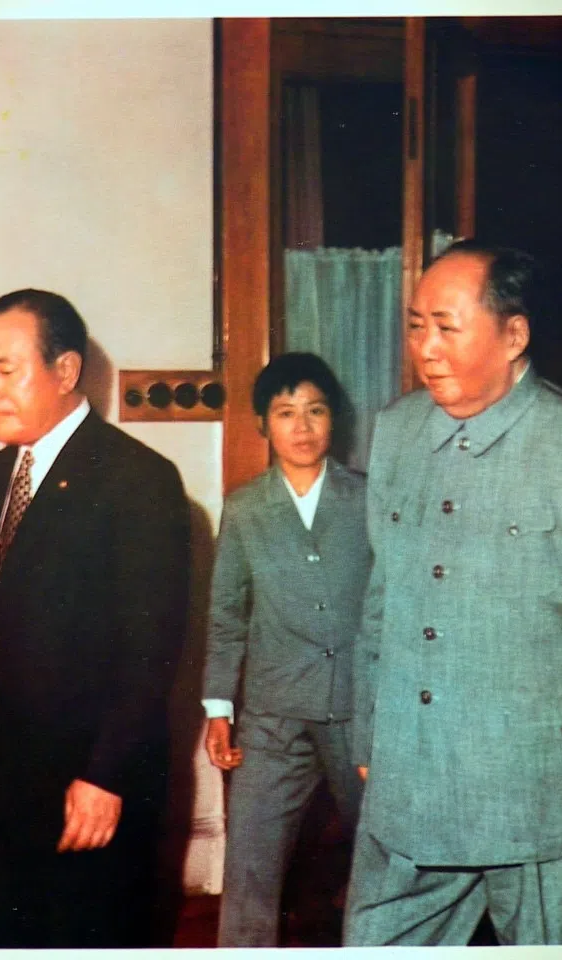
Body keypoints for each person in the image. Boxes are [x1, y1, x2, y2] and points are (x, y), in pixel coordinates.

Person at [0, 289, 190, 948]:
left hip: (81, 785)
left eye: (6, 368)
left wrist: (105, 775)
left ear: (65, 371)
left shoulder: (138, 479)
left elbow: (152, 649)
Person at [344, 239, 562, 946]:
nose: (425, 348)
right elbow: (383, 597)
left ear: (514, 335)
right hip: (409, 795)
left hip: (534, 803)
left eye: (446, 326)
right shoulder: (397, 432)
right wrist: (369, 733)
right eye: (414, 325)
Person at [202, 352, 370, 946]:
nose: (302, 427)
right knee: (250, 864)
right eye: (286, 413)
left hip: (360, 714)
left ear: (335, 420)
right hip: (273, 715)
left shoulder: (369, 500)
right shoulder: (246, 509)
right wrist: (219, 709)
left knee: (382, 862)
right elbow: (226, 615)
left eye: (315, 411)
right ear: (262, 424)